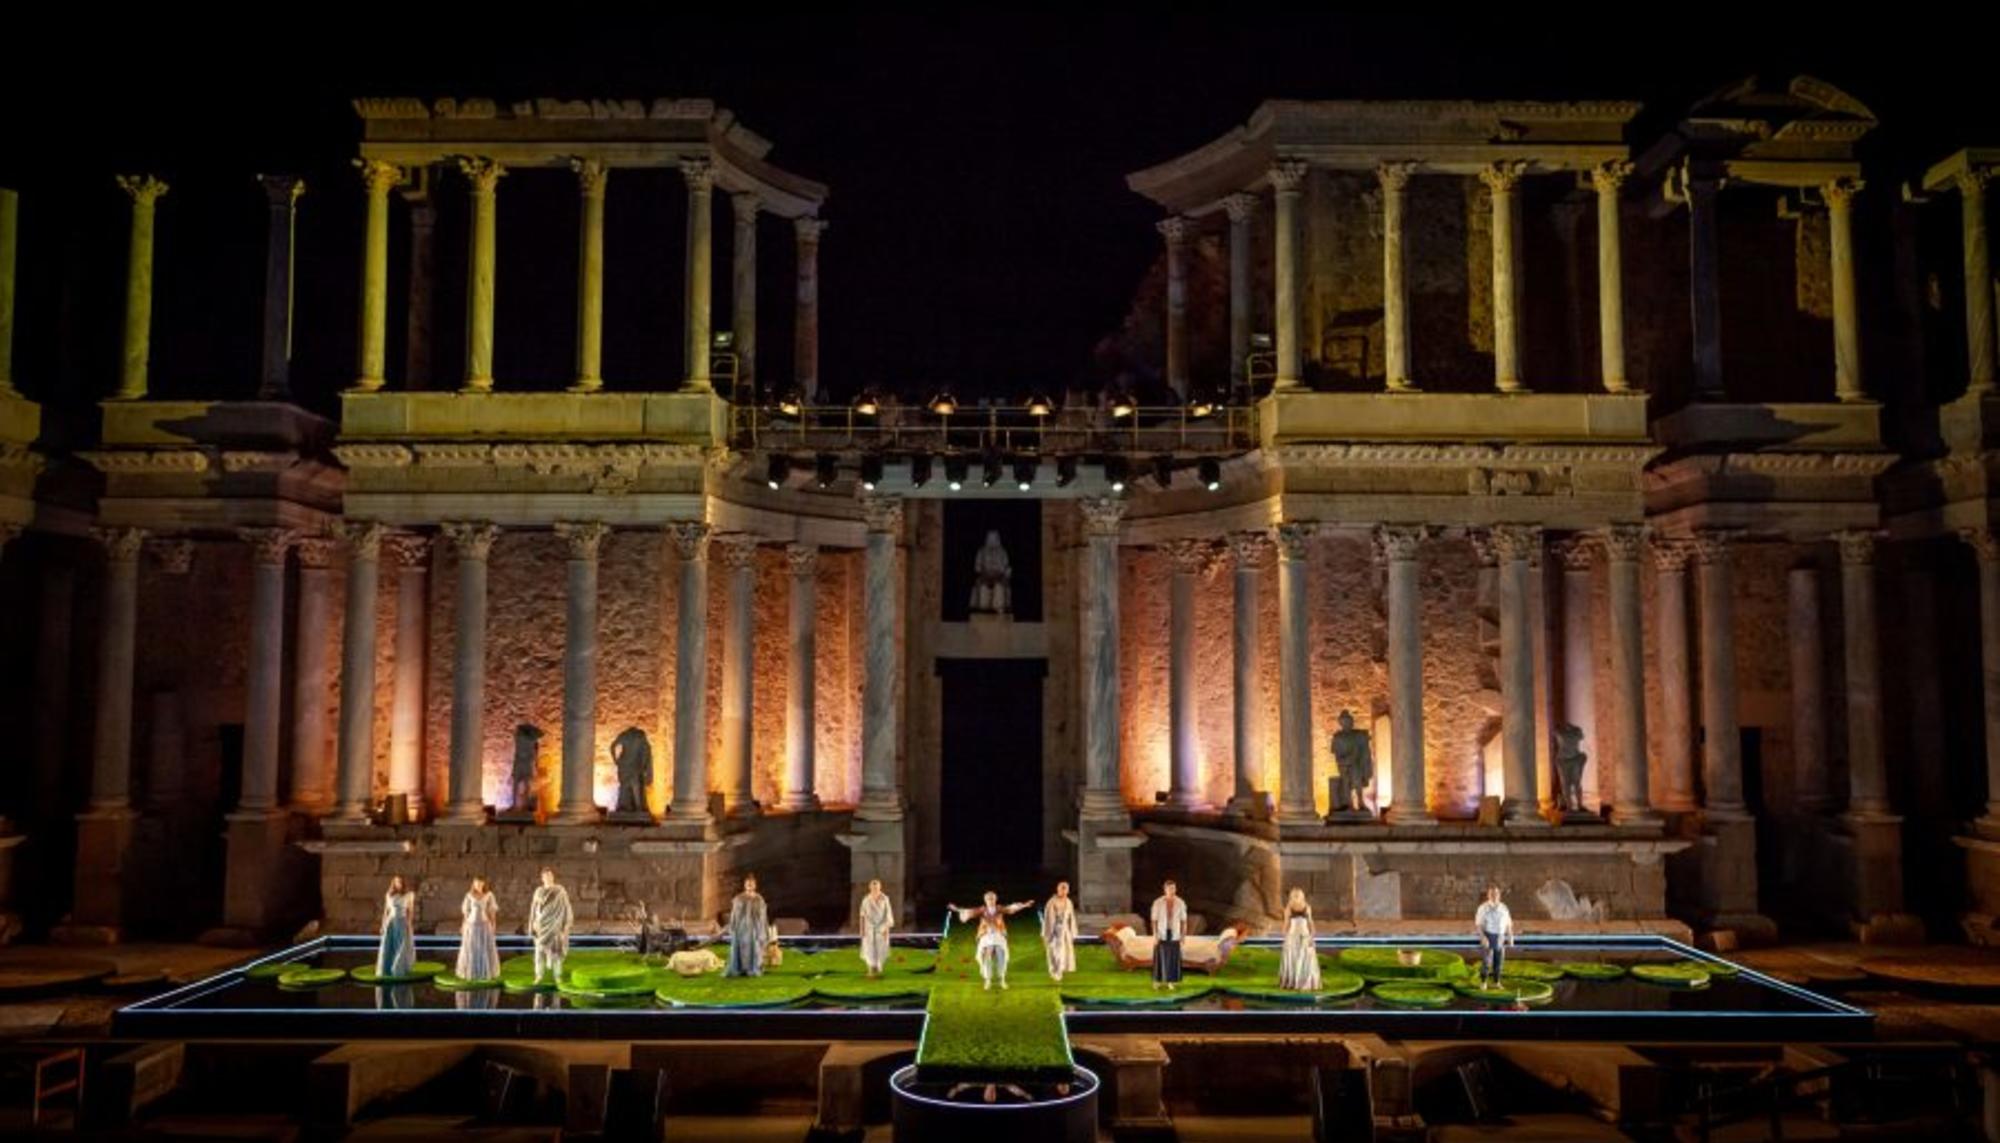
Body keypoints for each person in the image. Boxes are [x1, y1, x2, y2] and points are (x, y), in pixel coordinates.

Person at [949, 890, 1033, 990]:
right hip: (986, 936)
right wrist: (956, 909)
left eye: (992, 898)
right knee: (987, 957)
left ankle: (1002, 979)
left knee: (1001, 955)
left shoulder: (1000, 909)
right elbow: (969, 911)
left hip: (998, 936)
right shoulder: (982, 910)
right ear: (985, 900)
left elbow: (1011, 908)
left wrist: (1024, 905)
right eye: (988, 899)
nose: (990, 900)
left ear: (995, 899)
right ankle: (988, 980)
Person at [529, 867, 574, 986]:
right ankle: (538, 976)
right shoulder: (538, 891)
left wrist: (566, 925)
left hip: (555, 925)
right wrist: (531, 924)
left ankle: (557, 976)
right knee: (539, 952)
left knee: (556, 953)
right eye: (545, 875)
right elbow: (534, 908)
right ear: (542, 878)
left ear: (553, 876)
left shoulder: (560, 890)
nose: (548, 877)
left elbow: (566, 907)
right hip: (541, 925)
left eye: (550, 875)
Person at [455, 876, 501, 982]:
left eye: (480, 883)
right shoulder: (469, 895)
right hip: (471, 925)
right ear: (473, 884)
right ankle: (472, 971)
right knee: (472, 948)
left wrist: (494, 925)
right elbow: (466, 913)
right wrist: (463, 925)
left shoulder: (489, 895)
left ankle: (484, 972)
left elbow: (492, 912)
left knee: (483, 948)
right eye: (476, 883)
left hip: (484, 925)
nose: (478, 885)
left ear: (484, 884)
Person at [726, 874, 771, 977]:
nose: (749, 886)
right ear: (744, 885)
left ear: (755, 885)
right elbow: (734, 914)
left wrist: (764, 929)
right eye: (747, 884)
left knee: (755, 947)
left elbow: (763, 916)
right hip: (742, 928)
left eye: (751, 884)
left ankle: (753, 967)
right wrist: (732, 926)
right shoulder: (738, 898)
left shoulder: (759, 899)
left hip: (755, 928)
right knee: (741, 947)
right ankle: (741, 968)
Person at [1278, 887, 1321, 992]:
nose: (1296, 896)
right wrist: (1284, 934)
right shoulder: (1288, 908)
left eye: (1298, 894)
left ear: (1302, 896)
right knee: (1293, 958)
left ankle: (1305, 982)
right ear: (1291, 896)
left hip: (1305, 935)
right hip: (1292, 936)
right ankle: (1292, 981)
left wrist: (1313, 934)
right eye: (1294, 895)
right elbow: (1286, 923)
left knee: (1305, 958)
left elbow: (1310, 921)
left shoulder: (1307, 907)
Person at [1149, 880, 1189, 991]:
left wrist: (1183, 935)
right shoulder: (1158, 902)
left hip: (1175, 932)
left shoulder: (1180, 902)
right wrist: (1155, 935)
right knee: (1159, 957)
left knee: (1173, 958)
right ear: (1165, 889)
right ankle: (1157, 981)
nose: (1172, 891)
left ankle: (1170, 982)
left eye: (1174, 888)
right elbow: (1154, 920)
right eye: (1170, 888)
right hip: (1161, 932)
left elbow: (1184, 921)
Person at [1473, 884, 1515, 988]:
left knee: (1499, 961)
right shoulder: (1482, 908)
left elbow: (1508, 924)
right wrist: (1483, 937)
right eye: (1492, 893)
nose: (1494, 895)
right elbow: (1479, 925)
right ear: (1488, 895)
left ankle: (1497, 982)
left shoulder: (1504, 907)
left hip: (1500, 937)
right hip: (1488, 936)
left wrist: (1510, 937)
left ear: (1499, 895)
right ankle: (1483, 982)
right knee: (1487, 961)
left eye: (1496, 893)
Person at [376, 876, 416, 979]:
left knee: (401, 945)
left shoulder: (409, 895)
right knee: (389, 945)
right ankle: (387, 968)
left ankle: (398, 969)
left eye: (401, 882)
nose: (399, 884)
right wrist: (382, 925)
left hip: (402, 922)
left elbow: (410, 911)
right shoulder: (389, 895)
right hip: (391, 922)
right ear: (393, 883)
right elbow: (386, 911)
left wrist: (410, 924)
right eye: (397, 882)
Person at [1041, 880, 1078, 982]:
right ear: (1058, 889)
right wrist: (1047, 934)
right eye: (1062, 888)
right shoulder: (1051, 902)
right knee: (1055, 951)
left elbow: (1071, 917)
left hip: (1065, 931)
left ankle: (1060, 970)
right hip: (1055, 930)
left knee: (1064, 951)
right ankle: (1055, 971)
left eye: (1066, 889)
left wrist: (1073, 932)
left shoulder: (1069, 902)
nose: (1064, 891)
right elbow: (1048, 919)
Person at [858, 879, 895, 978]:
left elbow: (888, 914)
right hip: (868, 928)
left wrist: (886, 929)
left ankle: (879, 966)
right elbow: (862, 915)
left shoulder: (885, 899)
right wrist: (861, 929)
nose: (875, 889)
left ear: (880, 887)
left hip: (881, 928)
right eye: (873, 887)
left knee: (881, 947)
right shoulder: (866, 899)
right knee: (869, 948)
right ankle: (870, 968)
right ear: (870, 888)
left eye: (877, 887)